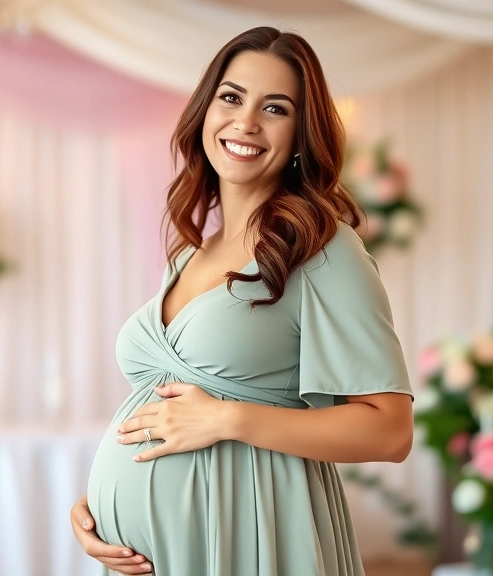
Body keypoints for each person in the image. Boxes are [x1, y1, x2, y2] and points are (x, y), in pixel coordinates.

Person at [70, 26, 414, 576]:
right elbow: (163, 410)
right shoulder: (188, 255)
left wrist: (228, 420)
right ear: (205, 111)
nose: (246, 122)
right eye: (231, 97)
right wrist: (98, 508)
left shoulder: (324, 247)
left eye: (275, 108)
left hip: (249, 534)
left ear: (303, 133)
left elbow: (390, 430)